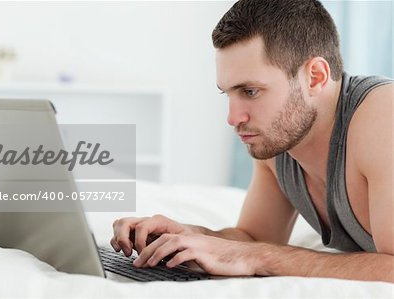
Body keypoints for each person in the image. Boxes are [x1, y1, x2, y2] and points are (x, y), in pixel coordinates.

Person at [110, 0, 394, 282]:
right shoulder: (279, 139)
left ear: (314, 77)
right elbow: (254, 237)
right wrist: (189, 237)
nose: (233, 118)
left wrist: (259, 257)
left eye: (250, 91)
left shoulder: (383, 116)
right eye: (228, 93)